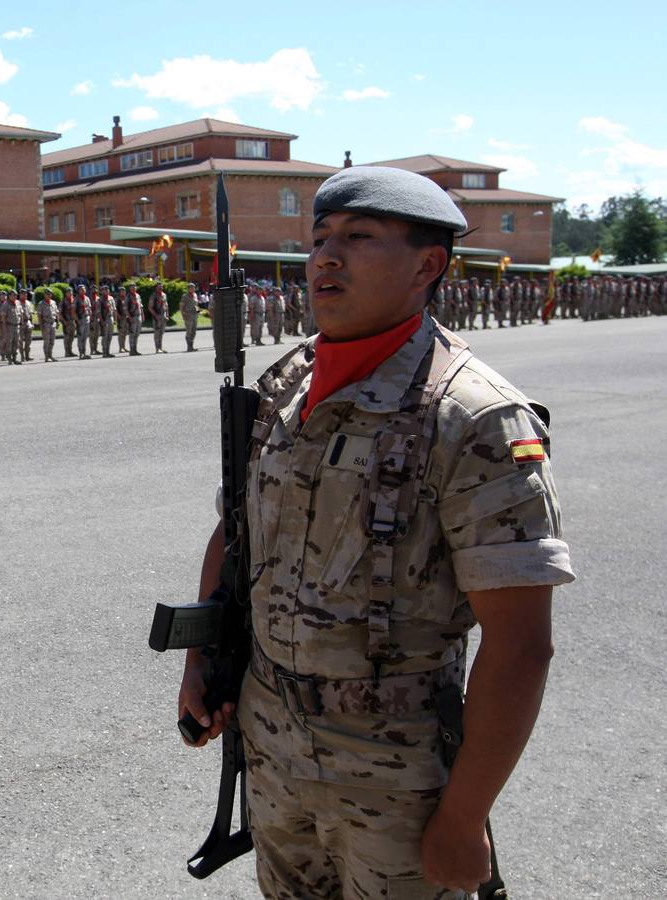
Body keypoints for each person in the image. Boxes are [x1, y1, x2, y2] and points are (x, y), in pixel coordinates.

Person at [177, 166, 575, 897]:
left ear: (428, 264)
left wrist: (464, 818)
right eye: (320, 237)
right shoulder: (282, 384)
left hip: (398, 772)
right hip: (270, 738)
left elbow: (521, 646)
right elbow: (234, 530)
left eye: (358, 238)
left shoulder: (477, 418)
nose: (326, 256)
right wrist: (203, 656)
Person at [37, 288, 58, 362]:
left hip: (53, 323)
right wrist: (41, 326)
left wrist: (57, 322)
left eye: (50, 294)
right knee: (47, 341)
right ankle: (46, 356)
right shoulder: (41, 303)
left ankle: (50, 355)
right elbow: (39, 316)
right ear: (44, 295)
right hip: (46, 324)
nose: (49, 295)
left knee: (52, 341)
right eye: (47, 294)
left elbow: (56, 312)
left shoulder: (53, 302)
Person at [148, 285, 169, 353]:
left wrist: (167, 315)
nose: (160, 288)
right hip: (157, 317)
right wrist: (156, 316)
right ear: (156, 288)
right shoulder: (153, 296)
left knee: (161, 333)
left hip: (163, 316)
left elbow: (166, 305)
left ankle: (160, 348)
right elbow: (150, 308)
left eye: (161, 287)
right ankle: (157, 348)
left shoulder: (164, 295)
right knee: (157, 333)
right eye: (158, 287)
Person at [181, 283, 199, 351]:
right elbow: (181, 306)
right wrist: (183, 315)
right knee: (189, 331)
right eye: (192, 287)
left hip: (194, 315)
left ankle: (192, 346)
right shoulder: (185, 296)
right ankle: (189, 347)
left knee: (194, 331)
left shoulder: (195, 295)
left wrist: (198, 313)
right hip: (188, 315)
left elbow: (196, 304)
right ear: (188, 288)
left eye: (194, 287)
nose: (193, 289)